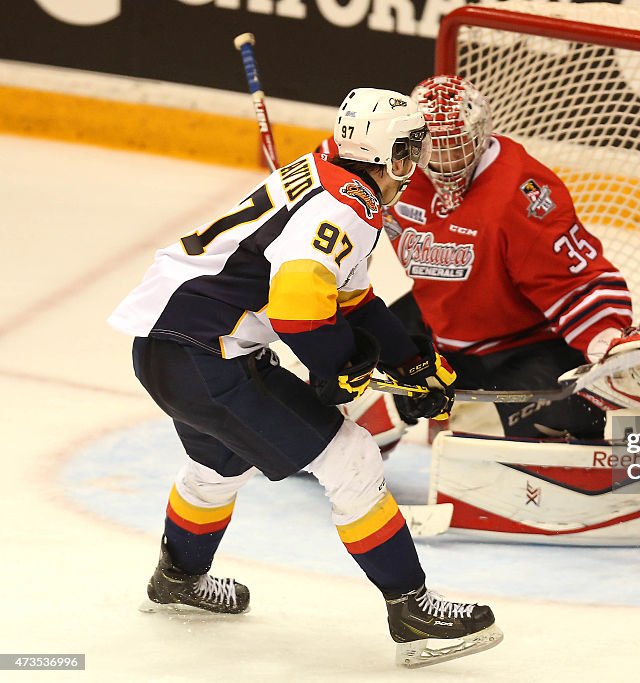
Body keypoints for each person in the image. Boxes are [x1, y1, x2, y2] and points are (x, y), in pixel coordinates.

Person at [108, 88, 502, 668]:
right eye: (409, 149)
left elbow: (354, 298)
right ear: (388, 154)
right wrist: (337, 369)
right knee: (351, 457)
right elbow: (296, 307)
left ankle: (178, 577)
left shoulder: (335, 180)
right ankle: (412, 610)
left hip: (167, 349)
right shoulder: (345, 206)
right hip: (206, 354)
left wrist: (412, 363)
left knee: (219, 463)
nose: (415, 162)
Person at [317, 75, 640, 448]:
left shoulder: (520, 191)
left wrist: (605, 344)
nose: (447, 162)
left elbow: (575, 281)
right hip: (437, 322)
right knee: (339, 408)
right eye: (436, 147)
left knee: (551, 445)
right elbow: (334, 159)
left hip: (521, 344)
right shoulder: (395, 169)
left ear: (481, 137)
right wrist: (306, 195)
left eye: (459, 146)